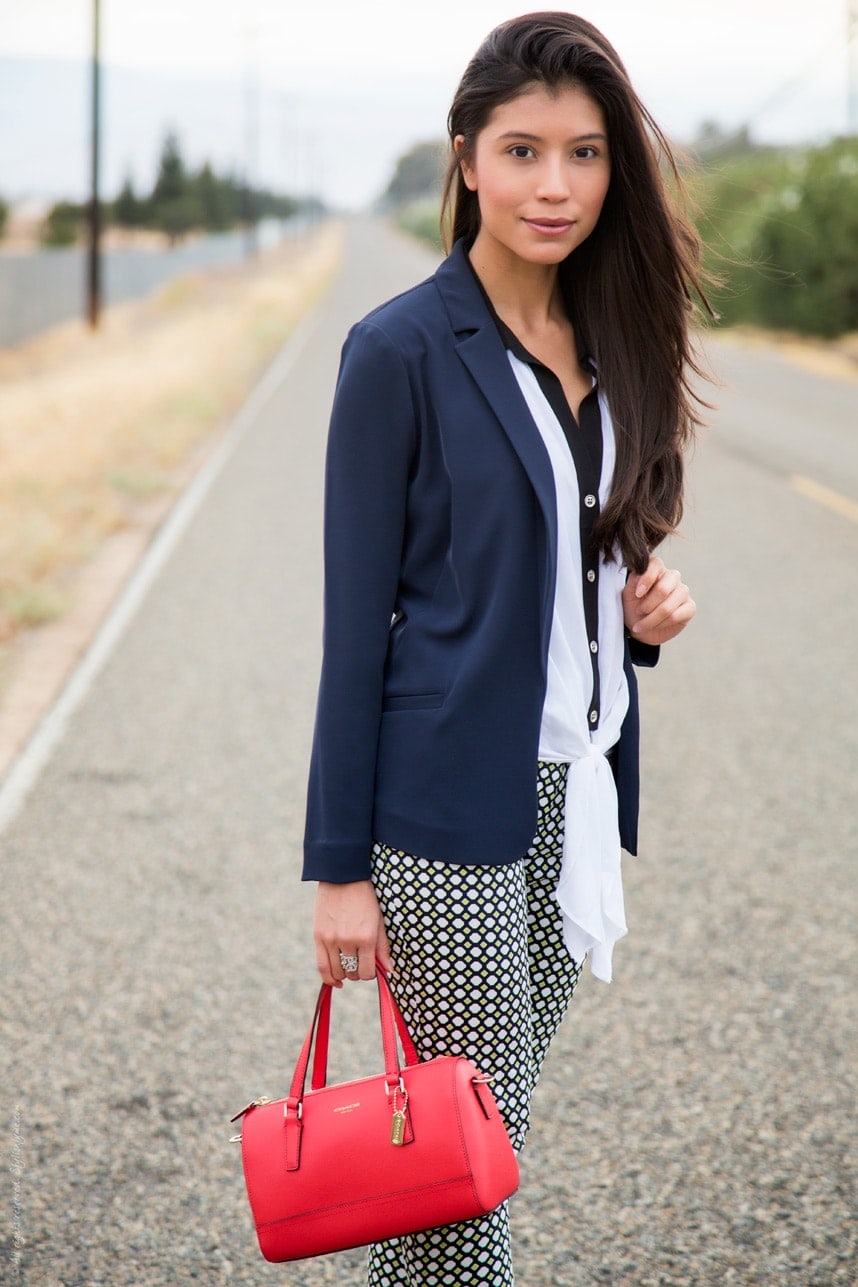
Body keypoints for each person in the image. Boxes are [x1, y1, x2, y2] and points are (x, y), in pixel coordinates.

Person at [303, 12, 710, 1284]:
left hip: (572, 793)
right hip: (443, 819)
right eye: (523, 151)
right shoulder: (400, 351)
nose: (555, 186)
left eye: (585, 155)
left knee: (469, 1153)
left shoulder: (616, 346)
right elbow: (352, 627)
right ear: (467, 157)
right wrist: (336, 869)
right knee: (463, 1173)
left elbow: (580, 570)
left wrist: (638, 623)